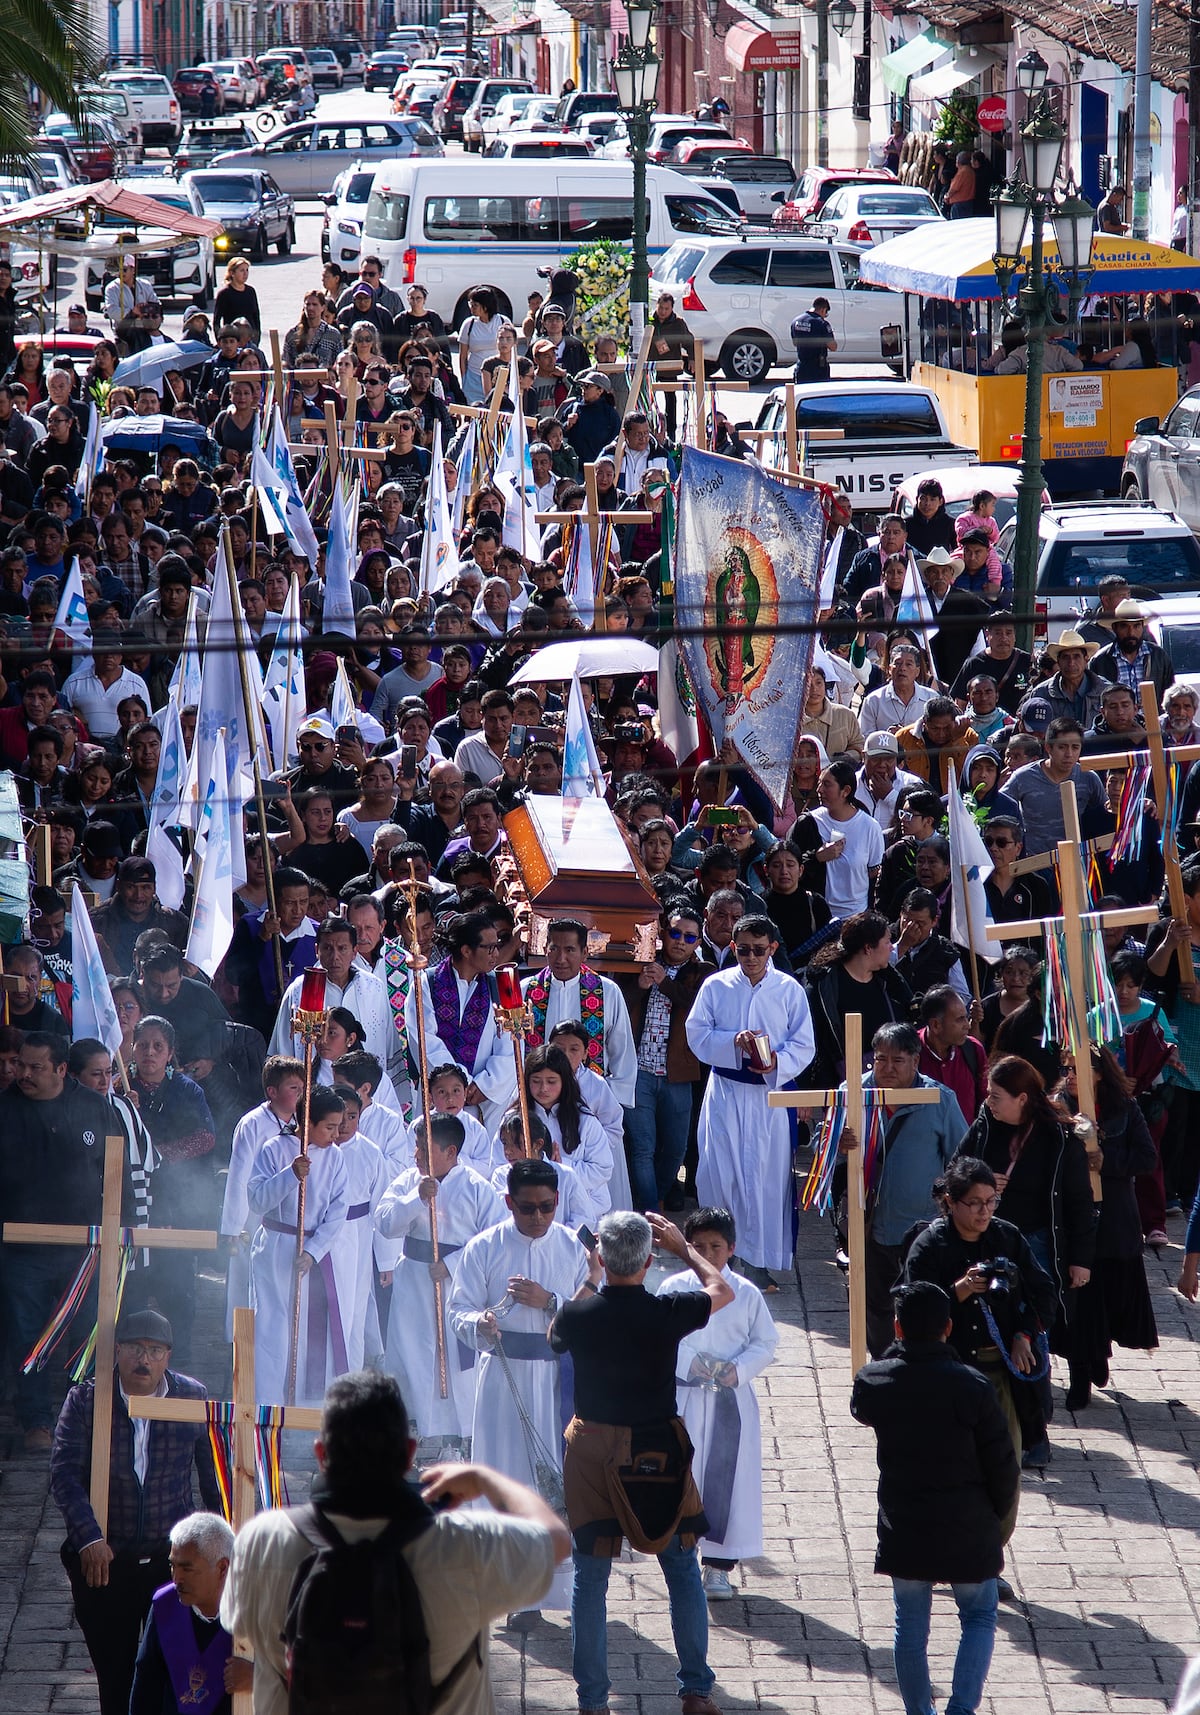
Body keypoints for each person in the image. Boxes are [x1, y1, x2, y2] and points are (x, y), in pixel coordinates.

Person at [220, 1370, 568, 1715]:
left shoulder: (260, 1541)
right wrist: (486, 1478)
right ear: (410, 1454)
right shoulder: (466, 1545)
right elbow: (556, 1541)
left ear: (320, 1453)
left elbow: (235, 1620)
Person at [549, 1209, 732, 1715]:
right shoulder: (666, 1310)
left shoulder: (578, 1314)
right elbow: (723, 1290)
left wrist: (590, 1275)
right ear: (650, 1260)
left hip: (592, 1450)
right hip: (657, 1449)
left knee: (591, 1577)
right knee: (681, 1568)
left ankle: (592, 1702)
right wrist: (686, 1249)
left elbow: (554, 1336)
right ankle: (695, 1690)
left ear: (603, 1258)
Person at [850, 1280, 1021, 1715]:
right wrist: (996, 1515)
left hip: (905, 1522)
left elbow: (863, 1406)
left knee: (909, 1625)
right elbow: (1003, 1464)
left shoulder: (874, 1381)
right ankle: (961, 1709)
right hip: (968, 1520)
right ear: (948, 1327)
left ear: (897, 1327)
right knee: (979, 1616)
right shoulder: (974, 1387)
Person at [50, 1309, 222, 1715]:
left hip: (172, 1563)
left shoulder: (192, 1398)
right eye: (134, 1349)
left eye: (155, 1350)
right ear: (117, 1351)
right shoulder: (87, 1400)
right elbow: (64, 1474)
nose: (144, 1359)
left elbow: (214, 1474)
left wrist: (220, 1547)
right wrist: (89, 1538)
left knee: (176, 1677)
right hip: (107, 1560)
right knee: (116, 1681)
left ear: (168, 1356)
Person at [448, 1157, 590, 1616]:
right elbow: (458, 1310)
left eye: (547, 1207)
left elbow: (594, 1315)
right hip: (502, 1378)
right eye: (527, 1208)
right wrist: (479, 1322)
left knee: (554, 1476)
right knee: (505, 1473)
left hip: (555, 1378)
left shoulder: (572, 1248)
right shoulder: (484, 1248)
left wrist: (551, 1302)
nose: (538, 1218)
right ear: (508, 1202)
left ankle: (558, 1588)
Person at [686, 912, 816, 1291]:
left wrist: (778, 1062)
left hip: (769, 1096)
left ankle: (757, 1261)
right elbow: (696, 1033)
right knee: (719, 1172)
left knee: (764, 1176)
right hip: (726, 1091)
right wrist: (732, 1042)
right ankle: (718, 1258)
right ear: (733, 947)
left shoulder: (788, 989)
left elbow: (803, 1043)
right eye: (743, 950)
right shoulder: (716, 986)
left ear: (772, 948)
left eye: (759, 950)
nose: (751, 957)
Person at [657, 1207, 778, 1602]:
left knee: (729, 1479)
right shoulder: (672, 1288)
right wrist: (692, 1362)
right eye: (698, 1246)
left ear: (732, 1249)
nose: (707, 1254)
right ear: (686, 1248)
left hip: (729, 1401)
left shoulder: (745, 1293)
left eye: (716, 1246)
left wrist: (737, 1370)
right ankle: (681, 1554)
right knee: (683, 1475)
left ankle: (719, 1566)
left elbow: (765, 1342)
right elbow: (659, 1338)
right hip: (684, 1398)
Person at [840, 1023, 968, 1359]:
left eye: (897, 1060)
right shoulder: (853, 1092)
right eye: (881, 1059)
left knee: (924, 1301)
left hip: (923, 1227)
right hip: (868, 1224)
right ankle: (885, 1365)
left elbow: (962, 1160)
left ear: (915, 1061)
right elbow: (822, 1145)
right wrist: (836, 1144)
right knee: (874, 1304)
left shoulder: (939, 1099)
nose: (887, 1068)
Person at [620, 901, 715, 1212]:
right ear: (663, 934)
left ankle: (654, 1195)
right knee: (642, 1147)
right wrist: (639, 984)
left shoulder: (704, 973)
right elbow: (616, 1008)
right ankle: (649, 1211)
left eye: (690, 937)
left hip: (679, 1075)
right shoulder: (640, 963)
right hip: (639, 1072)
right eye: (676, 933)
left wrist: (664, 982)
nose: (681, 941)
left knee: (676, 1149)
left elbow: (695, 1007)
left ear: (698, 943)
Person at [129, 1512, 249, 1715]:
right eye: (172, 1566)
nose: (176, 1579)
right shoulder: (164, 1605)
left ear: (222, 1568)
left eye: (187, 1569)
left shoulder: (256, 1609)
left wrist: (258, 1677)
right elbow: (146, 1686)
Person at [522, 917, 637, 1106]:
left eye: (569, 950)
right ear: (545, 950)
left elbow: (622, 1051)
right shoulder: (526, 990)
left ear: (584, 953)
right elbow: (512, 1049)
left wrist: (610, 1101)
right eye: (554, 949)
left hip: (590, 1100)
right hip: (538, 1099)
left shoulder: (607, 991)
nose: (561, 959)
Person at [791, 297, 837, 382]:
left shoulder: (796, 321)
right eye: (826, 314)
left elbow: (795, 343)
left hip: (802, 367)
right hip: (818, 369)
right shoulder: (822, 324)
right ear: (823, 310)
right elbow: (833, 347)